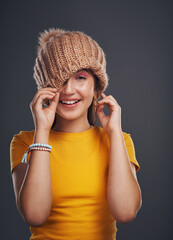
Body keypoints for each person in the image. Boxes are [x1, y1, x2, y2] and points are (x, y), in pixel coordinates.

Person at [10, 28, 142, 240]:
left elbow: (126, 212)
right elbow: (35, 215)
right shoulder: (25, 142)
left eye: (80, 77)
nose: (69, 90)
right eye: (59, 79)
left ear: (97, 86)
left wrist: (114, 133)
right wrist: (42, 131)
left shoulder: (119, 140)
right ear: (45, 87)